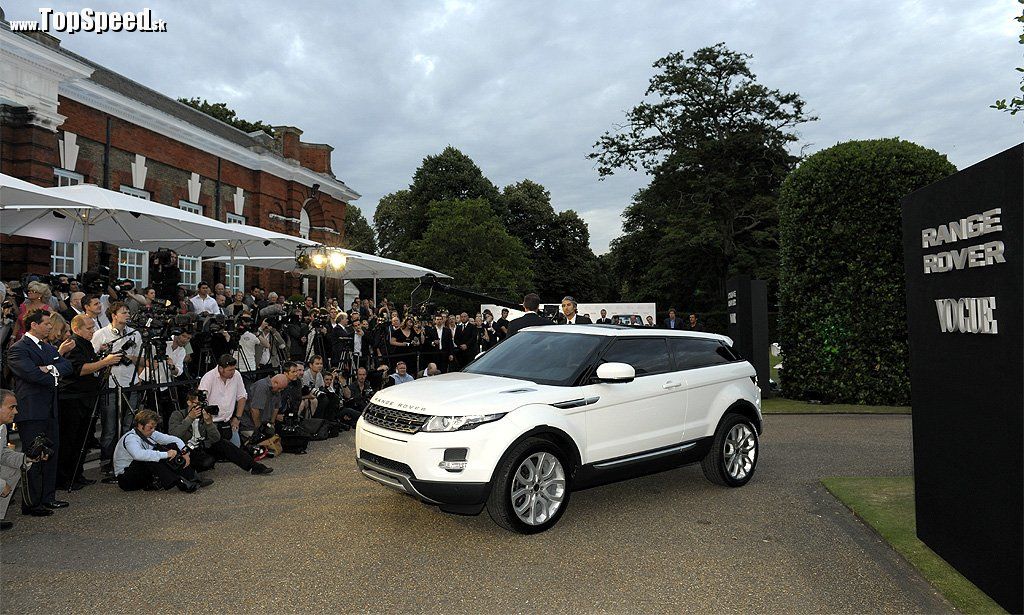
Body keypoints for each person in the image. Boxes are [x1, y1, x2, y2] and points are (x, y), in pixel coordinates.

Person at [7, 310, 73, 513]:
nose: (50, 327)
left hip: (50, 410)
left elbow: (67, 366)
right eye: (46, 324)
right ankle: (32, 503)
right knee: (34, 456)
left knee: (51, 454)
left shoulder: (47, 347)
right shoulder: (18, 349)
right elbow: (31, 374)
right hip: (31, 411)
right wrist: (50, 371)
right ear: (33, 325)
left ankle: (48, 497)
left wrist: (48, 368)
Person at [57, 315, 122, 491]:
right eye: (88, 328)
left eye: (93, 328)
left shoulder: (86, 344)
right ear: (76, 329)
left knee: (82, 441)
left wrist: (100, 356)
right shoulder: (73, 344)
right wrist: (104, 362)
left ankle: (77, 475)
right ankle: (64, 479)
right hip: (72, 399)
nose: (92, 331)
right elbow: (78, 369)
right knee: (70, 440)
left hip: (87, 398)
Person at [91, 301, 143, 476]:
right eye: (123, 312)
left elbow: (143, 360)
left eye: (128, 312)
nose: (127, 315)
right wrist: (108, 357)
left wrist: (129, 357)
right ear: (113, 315)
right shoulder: (101, 334)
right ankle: (107, 463)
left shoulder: (135, 334)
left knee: (129, 425)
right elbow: (92, 360)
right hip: (110, 384)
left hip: (131, 383)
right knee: (110, 427)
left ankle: (127, 458)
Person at [167, 391, 272, 475]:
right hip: (188, 448)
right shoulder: (178, 415)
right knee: (207, 462)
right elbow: (174, 435)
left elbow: (216, 438)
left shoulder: (203, 416)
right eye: (197, 404)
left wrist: (209, 423)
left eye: (203, 404)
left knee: (224, 444)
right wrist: (189, 418)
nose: (200, 407)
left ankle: (254, 466)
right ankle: (192, 477)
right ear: (189, 402)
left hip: (203, 446)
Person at [113, 409, 210, 492]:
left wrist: (184, 452)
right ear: (139, 425)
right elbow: (138, 455)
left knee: (171, 446)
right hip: (126, 479)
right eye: (150, 427)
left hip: (142, 475)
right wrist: (166, 454)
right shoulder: (131, 438)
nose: (152, 430)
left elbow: (174, 439)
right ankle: (180, 482)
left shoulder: (150, 433)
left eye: (154, 427)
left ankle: (191, 477)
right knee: (151, 456)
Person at [0, 389, 51, 529]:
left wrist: (27, 457)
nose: (16, 412)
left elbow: (2, 454)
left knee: (16, 467)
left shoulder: (2, 428)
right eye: (11, 407)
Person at [197, 355, 248, 447]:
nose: (233, 372)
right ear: (220, 368)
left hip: (228, 421)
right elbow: (201, 399)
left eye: (234, 369)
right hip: (212, 423)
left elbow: (242, 397)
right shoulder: (208, 377)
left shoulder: (237, 375)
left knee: (236, 447)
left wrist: (237, 418)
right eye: (230, 370)